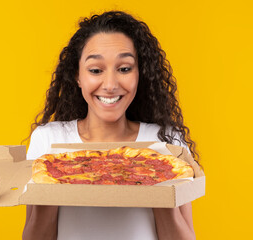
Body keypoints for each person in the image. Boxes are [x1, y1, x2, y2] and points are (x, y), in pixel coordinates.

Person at [22, 11, 198, 240]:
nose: (110, 85)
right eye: (96, 70)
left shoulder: (166, 142)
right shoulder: (49, 141)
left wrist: (158, 181)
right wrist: (51, 186)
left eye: (124, 69)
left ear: (139, 74)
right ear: (77, 76)